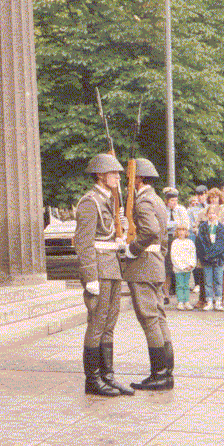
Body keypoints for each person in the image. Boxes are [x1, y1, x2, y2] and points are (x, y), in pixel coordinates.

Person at [72, 153, 133, 397]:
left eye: (118, 173)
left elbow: (105, 234)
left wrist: (119, 240)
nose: (118, 177)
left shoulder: (109, 199)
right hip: (99, 268)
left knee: (109, 323)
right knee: (97, 324)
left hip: (112, 267)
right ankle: (93, 379)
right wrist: (90, 277)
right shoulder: (90, 202)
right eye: (113, 174)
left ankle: (108, 375)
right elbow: (83, 243)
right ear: (100, 175)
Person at [122, 159, 175, 391]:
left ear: (139, 179)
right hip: (154, 263)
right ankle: (167, 369)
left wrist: (132, 249)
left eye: (130, 179)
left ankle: (159, 373)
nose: (127, 184)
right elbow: (162, 237)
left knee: (149, 318)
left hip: (143, 265)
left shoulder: (143, 201)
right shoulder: (156, 200)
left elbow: (151, 231)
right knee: (158, 316)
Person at [196, 204, 224, 310]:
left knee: (218, 280)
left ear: (217, 214)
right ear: (206, 214)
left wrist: (213, 254)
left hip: (218, 258)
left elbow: (220, 244)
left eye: (214, 213)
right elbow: (201, 242)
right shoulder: (203, 227)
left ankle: (218, 301)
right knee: (208, 281)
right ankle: (208, 301)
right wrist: (207, 255)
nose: (211, 215)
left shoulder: (221, 227)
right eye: (209, 213)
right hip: (206, 259)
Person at [162, 188, 188, 305]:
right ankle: (165, 294)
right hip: (166, 239)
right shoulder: (162, 210)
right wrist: (176, 224)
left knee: (179, 267)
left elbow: (186, 224)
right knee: (167, 268)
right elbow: (163, 225)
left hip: (179, 239)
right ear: (166, 201)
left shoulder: (181, 209)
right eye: (172, 200)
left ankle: (181, 295)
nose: (174, 203)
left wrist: (174, 226)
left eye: (176, 200)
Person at [170, 225, 197, 310]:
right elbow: (174, 256)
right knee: (179, 285)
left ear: (186, 232)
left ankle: (187, 301)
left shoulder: (190, 242)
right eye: (180, 230)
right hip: (179, 268)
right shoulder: (175, 243)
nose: (181, 232)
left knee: (186, 285)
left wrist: (191, 265)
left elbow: (192, 254)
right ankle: (180, 302)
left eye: (183, 230)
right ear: (177, 232)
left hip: (188, 268)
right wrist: (181, 266)